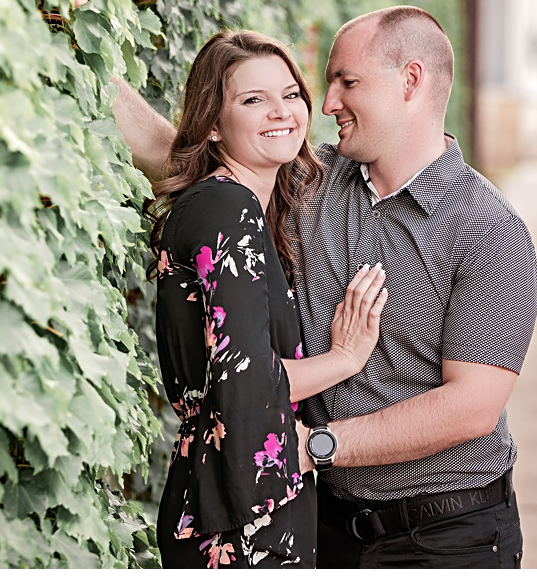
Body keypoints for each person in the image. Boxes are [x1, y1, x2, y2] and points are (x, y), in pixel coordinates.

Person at [117, 7, 537, 569]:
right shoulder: (313, 183)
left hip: (445, 533)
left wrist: (319, 447)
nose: (329, 102)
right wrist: (84, 44)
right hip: (326, 524)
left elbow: (471, 408)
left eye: (348, 81)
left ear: (410, 81)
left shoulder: (488, 230)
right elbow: (196, 157)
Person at [148, 30, 391, 567]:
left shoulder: (243, 209)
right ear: (213, 123)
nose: (282, 112)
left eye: (290, 94)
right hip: (239, 515)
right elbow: (249, 381)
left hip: (237, 494)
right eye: (253, 100)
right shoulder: (227, 211)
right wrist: (345, 359)